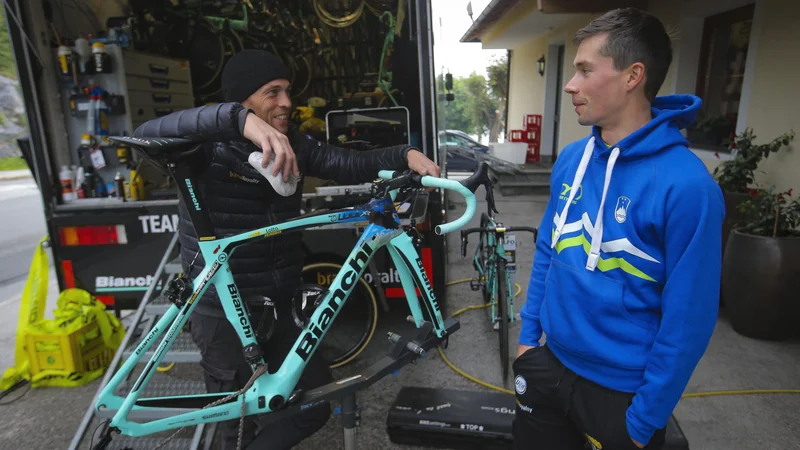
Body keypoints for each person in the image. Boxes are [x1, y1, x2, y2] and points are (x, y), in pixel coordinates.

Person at [133, 49, 440, 450]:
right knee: (237, 428)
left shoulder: (293, 143)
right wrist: (240, 123)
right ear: (242, 101)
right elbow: (146, 133)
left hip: (278, 306)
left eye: (287, 91)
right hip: (224, 313)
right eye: (272, 92)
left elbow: (347, 163)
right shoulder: (202, 145)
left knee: (313, 403)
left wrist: (405, 154)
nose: (286, 103)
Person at [512, 8, 724, 450]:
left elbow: (689, 319)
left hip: (622, 395)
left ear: (633, 76)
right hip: (548, 365)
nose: (571, 84)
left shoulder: (688, 186)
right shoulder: (572, 158)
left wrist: (644, 420)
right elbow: (549, 250)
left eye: (585, 70)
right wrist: (529, 341)